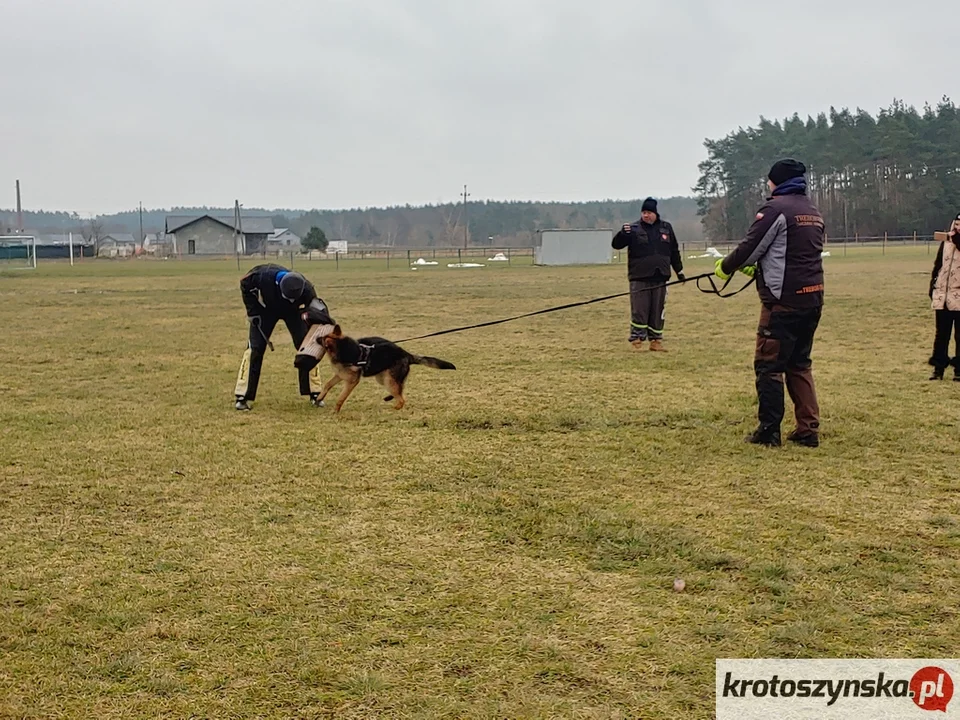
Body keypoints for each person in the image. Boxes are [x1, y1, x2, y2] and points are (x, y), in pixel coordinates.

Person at [714, 159, 825, 448]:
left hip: (782, 303)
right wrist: (760, 268)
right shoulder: (811, 211)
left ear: (777, 181)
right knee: (800, 364)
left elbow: (750, 247)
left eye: (770, 180)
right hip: (812, 298)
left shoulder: (775, 209)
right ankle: (807, 428)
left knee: (769, 365)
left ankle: (769, 430)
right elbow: (787, 252)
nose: (768, 185)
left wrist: (725, 267)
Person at [234, 264, 335, 411]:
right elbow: (244, 284)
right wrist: (252, 312)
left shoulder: (306, 288)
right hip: (265, 311)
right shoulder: (260, 277)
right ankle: (243, 396)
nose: (292, 300)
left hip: (293, 313)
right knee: (254, 349)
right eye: (289, 298)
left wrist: (323, 323)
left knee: (308, 347)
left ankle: (315, 393)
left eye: (295, 298)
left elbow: (316, 307)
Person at [611, 197, 685, 351]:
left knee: (657, 310)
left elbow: (674, 251)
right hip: (640, 276)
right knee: (640, 309)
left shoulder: (666, 228)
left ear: (655, 214)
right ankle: (637, 339)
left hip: (661, 276)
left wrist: (679, 271)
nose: (646, 215)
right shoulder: (633, 229)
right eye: (644, 212)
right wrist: (622, 234)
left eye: (649, 212)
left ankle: (656, 340)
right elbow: (616, 245)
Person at [928, 213, 960, 381]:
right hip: (943, 295)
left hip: (959, 295)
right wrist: (932, 286)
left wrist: (957, 239)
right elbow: (938, 265)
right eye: (956, 224)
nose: (958, 228)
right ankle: (938, 367)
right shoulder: (946, 243)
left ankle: (959, 370)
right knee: (942, 335)